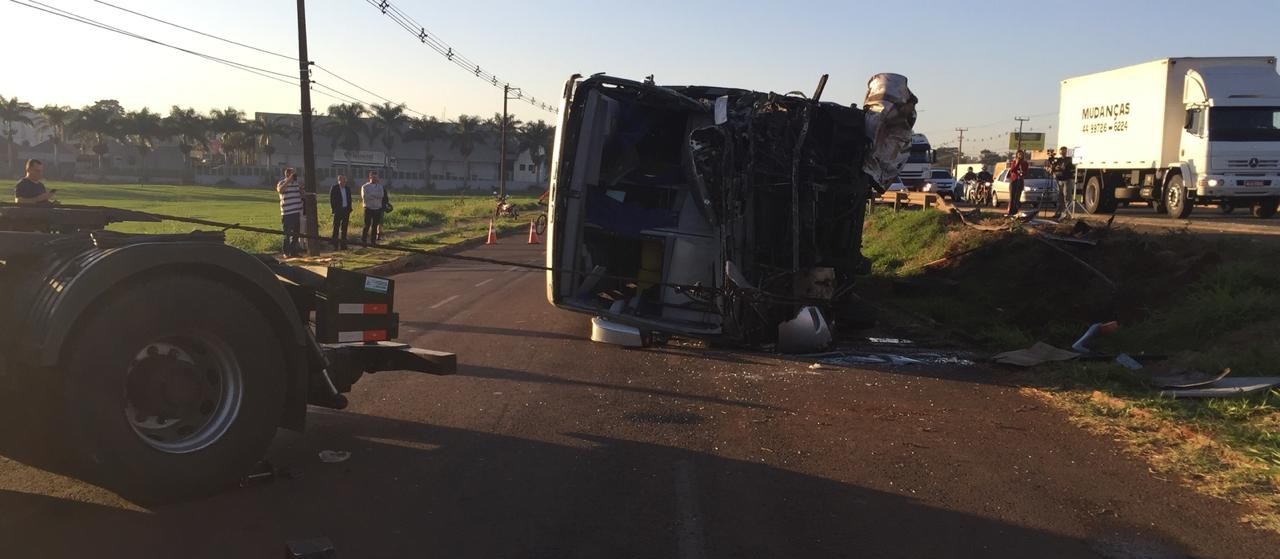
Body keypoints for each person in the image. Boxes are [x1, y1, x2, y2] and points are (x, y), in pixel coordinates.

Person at [277, 167, 304, 256]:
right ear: (288, 174)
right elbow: (280, 190)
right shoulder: (282, 183)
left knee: (296, 234)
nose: (295, 175)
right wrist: (288, 181)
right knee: (287, 234)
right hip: (287, 213)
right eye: (293, 174)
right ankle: (286, 252)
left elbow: (301, 195)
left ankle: (293, 251)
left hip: (296, 212)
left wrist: (301, 188)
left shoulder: (296, 184)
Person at [360, 170, 385, 246]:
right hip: (368, 208)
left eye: (376, 177)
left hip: (377, 209)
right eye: (373, 177)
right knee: (367, 225)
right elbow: (365, 197)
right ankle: (363, 241)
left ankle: (373, 241)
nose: (375, 179)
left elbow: (381, 196)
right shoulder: (365, 186)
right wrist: (375, 195)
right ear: (370, 177)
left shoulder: (380, 187)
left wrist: (371, 195)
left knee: (375, 226)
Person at [329, 174, 353, 249]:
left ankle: (343, 244)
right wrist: (334, 209)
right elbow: (332, 199)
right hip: (338, 210)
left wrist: (349, 208)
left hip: (346, 210)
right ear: (338, 180)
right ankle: (335, 244)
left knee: (344, 228)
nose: (343, 181)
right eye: (341, 180)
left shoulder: (347, 188)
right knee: (336, 227)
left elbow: (349, 199)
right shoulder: (335, 188)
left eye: (344, 180)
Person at [1049, 146, 1074, 218]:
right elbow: (1054, 168)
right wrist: (1052, 168)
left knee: (1067, 196)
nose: (1062, 153)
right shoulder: (1058, 160)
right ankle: (1059, 213)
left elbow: (1071, 169)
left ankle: (1067, 213)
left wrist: (1063, 168)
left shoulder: (1069, 160)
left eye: (1064, 152)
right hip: (1059, 180)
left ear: (1066, 152)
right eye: (1061, 152)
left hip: (1066, 180)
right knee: (1059, 197)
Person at [1006, 150, 1029, 216]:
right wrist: (1017, 163)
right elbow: (1012, 170)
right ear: (1017, 155)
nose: (1020, 156)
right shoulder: (1014, 162)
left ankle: (1015, 211)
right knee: (1012, 197)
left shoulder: (1025, 163)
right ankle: (1010, 212)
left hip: (1020, 181)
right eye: (1019, 154)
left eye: (1021, 154)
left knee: (1017, 198)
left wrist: (1022, 173)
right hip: (1014, 181)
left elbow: (1026, 172)